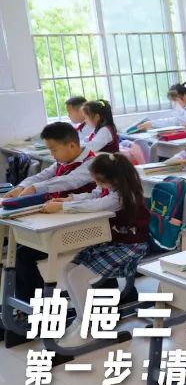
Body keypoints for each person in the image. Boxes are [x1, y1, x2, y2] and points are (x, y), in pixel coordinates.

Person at [44, 154, 149, 335]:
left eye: (99, 181)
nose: (97, 184)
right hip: (114, 242)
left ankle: (89, 324)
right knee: (68, 270)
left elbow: (98, 205)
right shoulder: (113, 187)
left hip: (131, 245)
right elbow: (94, 194)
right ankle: (81, 318)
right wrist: (70, 200)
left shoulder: (124, 196)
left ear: (114, 179)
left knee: (77, 276)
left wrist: (63, 207)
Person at [9, 122, 97, 308]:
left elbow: (69, 181)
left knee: (23, 255)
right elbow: (41, 176)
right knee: (21, 251)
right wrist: (21, 186)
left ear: (71, 145)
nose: (51, 154)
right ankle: (30, 305)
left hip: (84, 227)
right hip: (61, 222)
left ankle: (36, 306)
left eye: (54, 149)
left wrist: (35, 188)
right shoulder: (63, 162)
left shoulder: (92, 164)